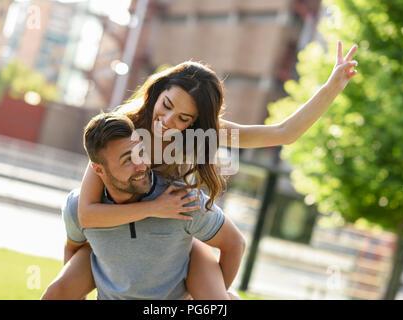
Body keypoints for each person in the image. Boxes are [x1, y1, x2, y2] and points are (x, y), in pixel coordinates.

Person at [43, 40, 358, 299]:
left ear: (196, 122)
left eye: (183, 118)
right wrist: (155, 207)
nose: (168, 122)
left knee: (217, 300)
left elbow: (283, 133)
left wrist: (334, 84)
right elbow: (88, 213)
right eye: (166, 106)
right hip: (119, 236)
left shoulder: (209, 134)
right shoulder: (125, 127)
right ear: (158, 91)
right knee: (57, 290)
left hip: (178, 237)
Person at [42, 114, 246, 299]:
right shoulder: (79, 208)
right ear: (98, 169)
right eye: (127, 160)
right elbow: (72, 248)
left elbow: (235, 243)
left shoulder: (179, 200)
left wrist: (212, 296)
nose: (141, 164)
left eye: (141, 151)